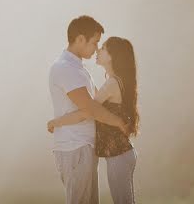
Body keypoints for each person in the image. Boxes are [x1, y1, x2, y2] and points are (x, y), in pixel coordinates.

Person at [49, 36, 139, 204]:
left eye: (103, 48)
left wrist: (57, 122)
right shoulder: (113, 82)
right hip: (121, 155)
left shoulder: (112, 83)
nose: (98, 50)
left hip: (119, 156)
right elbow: (92, 104)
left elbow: (87, 112)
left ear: (112, 56)